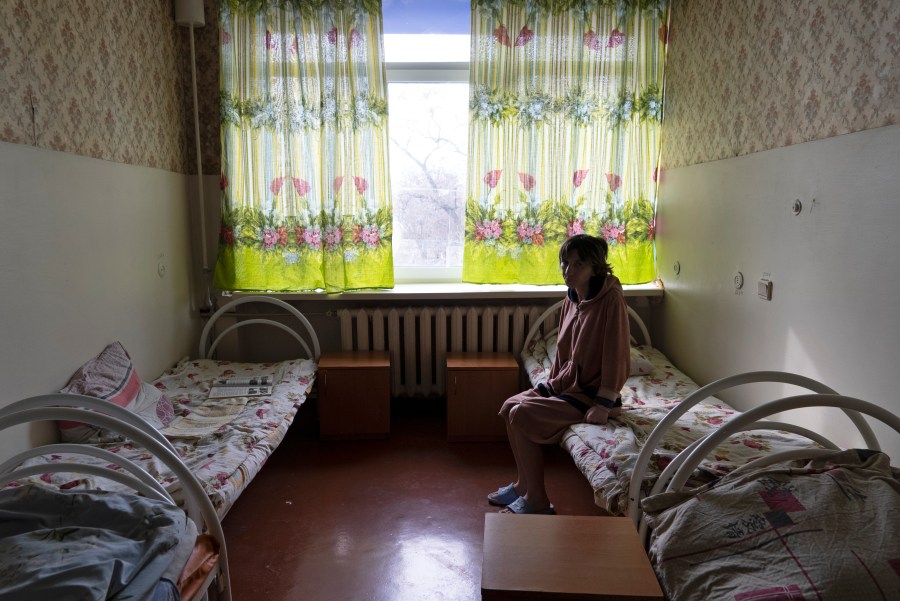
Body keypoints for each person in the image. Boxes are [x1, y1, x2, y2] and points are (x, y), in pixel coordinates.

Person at [487, 234, 631, 514]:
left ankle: (538, 499)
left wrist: (603, 404)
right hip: (568, 386)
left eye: (578, 265)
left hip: (593, 395)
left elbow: (618, 354)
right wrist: (551, 384)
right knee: (509, 407)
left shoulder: (610, 301)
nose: (569, 271)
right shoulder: (573, 297)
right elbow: (564, 350)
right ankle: (522, 485)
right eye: (565, 263)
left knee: (522, 414)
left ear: (596, 267)